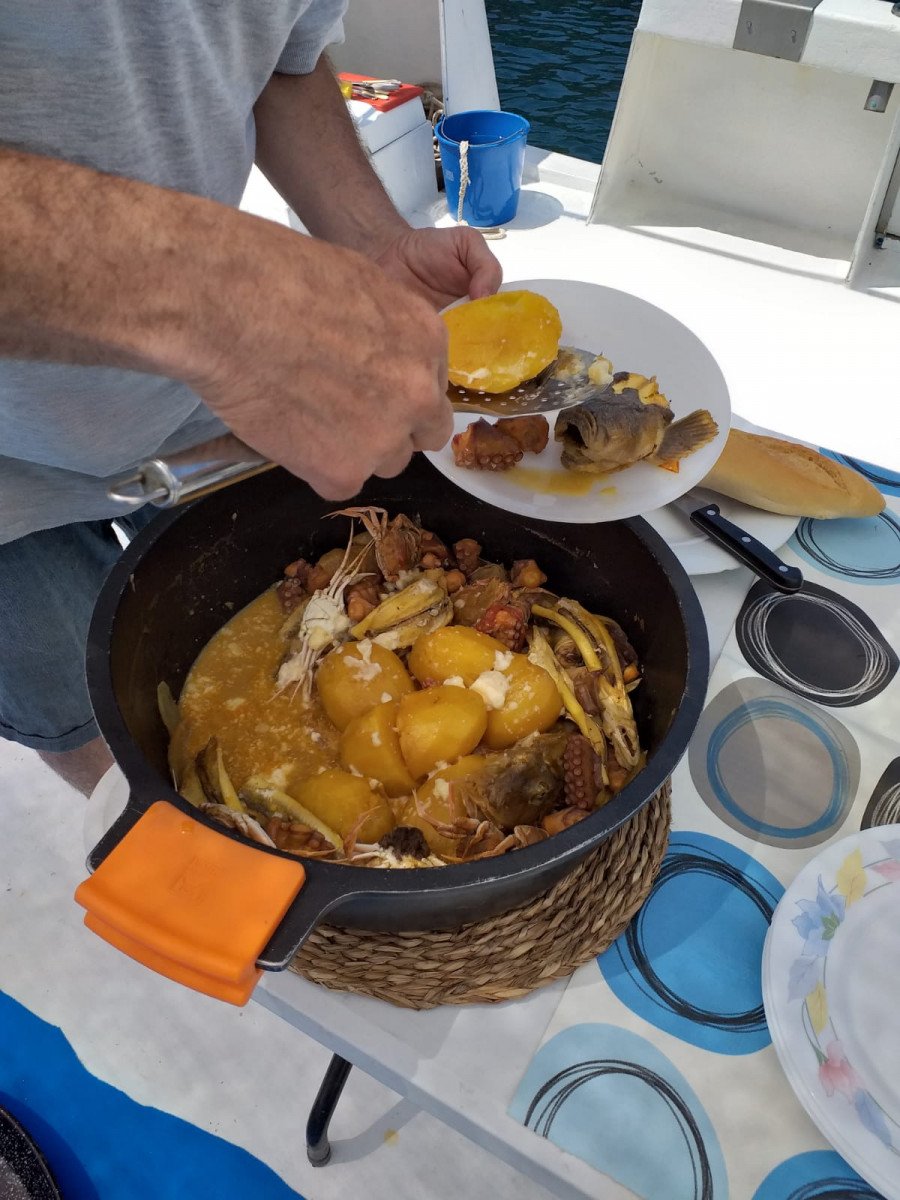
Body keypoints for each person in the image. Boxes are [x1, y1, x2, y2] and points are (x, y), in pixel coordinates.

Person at [0, 2, 502, 796]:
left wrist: (371, 242)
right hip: (11, 479)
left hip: (208, 385)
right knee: (81, 709)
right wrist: (225, 297)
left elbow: (274, 58)